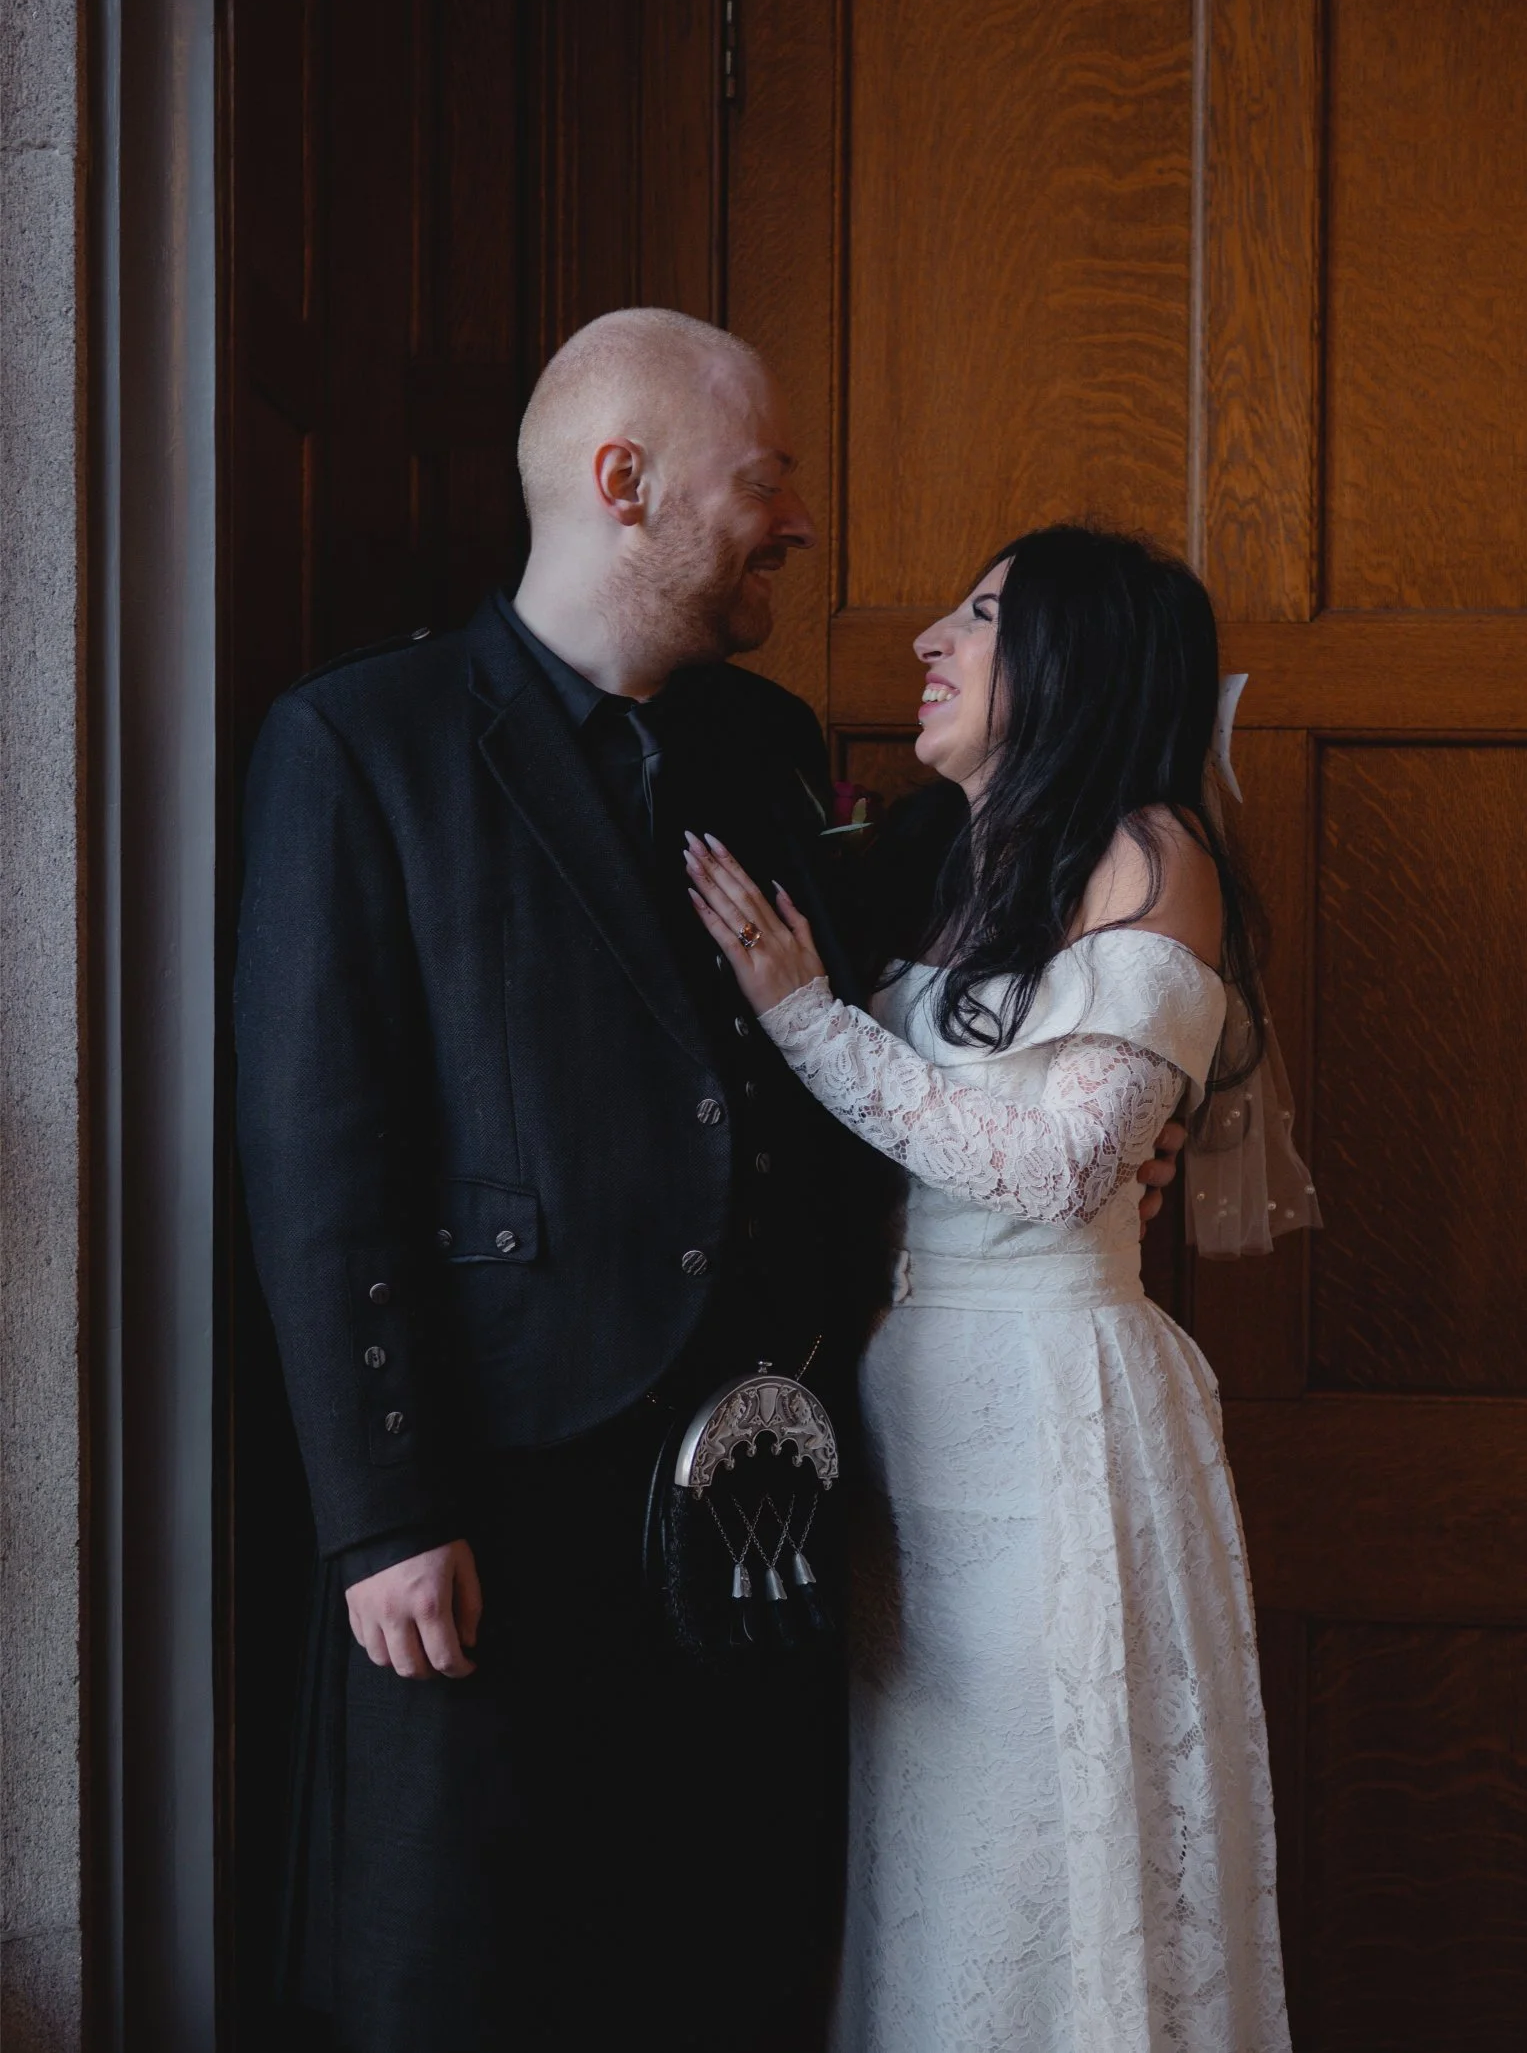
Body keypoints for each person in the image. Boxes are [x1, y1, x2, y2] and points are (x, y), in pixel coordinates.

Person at [235, 313, 1184, 2053]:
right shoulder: (360, 745)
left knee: (721, 1966)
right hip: (496, 1509)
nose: (802, 521)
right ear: (625, 483)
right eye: (768, 478)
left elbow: (954, 998)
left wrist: (1124, 1086)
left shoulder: (762, 742)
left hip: (763, 1515)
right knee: (468, 1984)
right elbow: (322, 1161)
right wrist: (383, 1512)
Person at [686, 524, 1315, 2053]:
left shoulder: (1151, 855)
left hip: (1056, 1424)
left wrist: (804, 1020)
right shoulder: (960, 861)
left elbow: (1050, 1174)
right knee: (931, 1851)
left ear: (1075, 663)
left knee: (1051, 1833)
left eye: (979, 617)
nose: (930, 641)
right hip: (921, 1417)